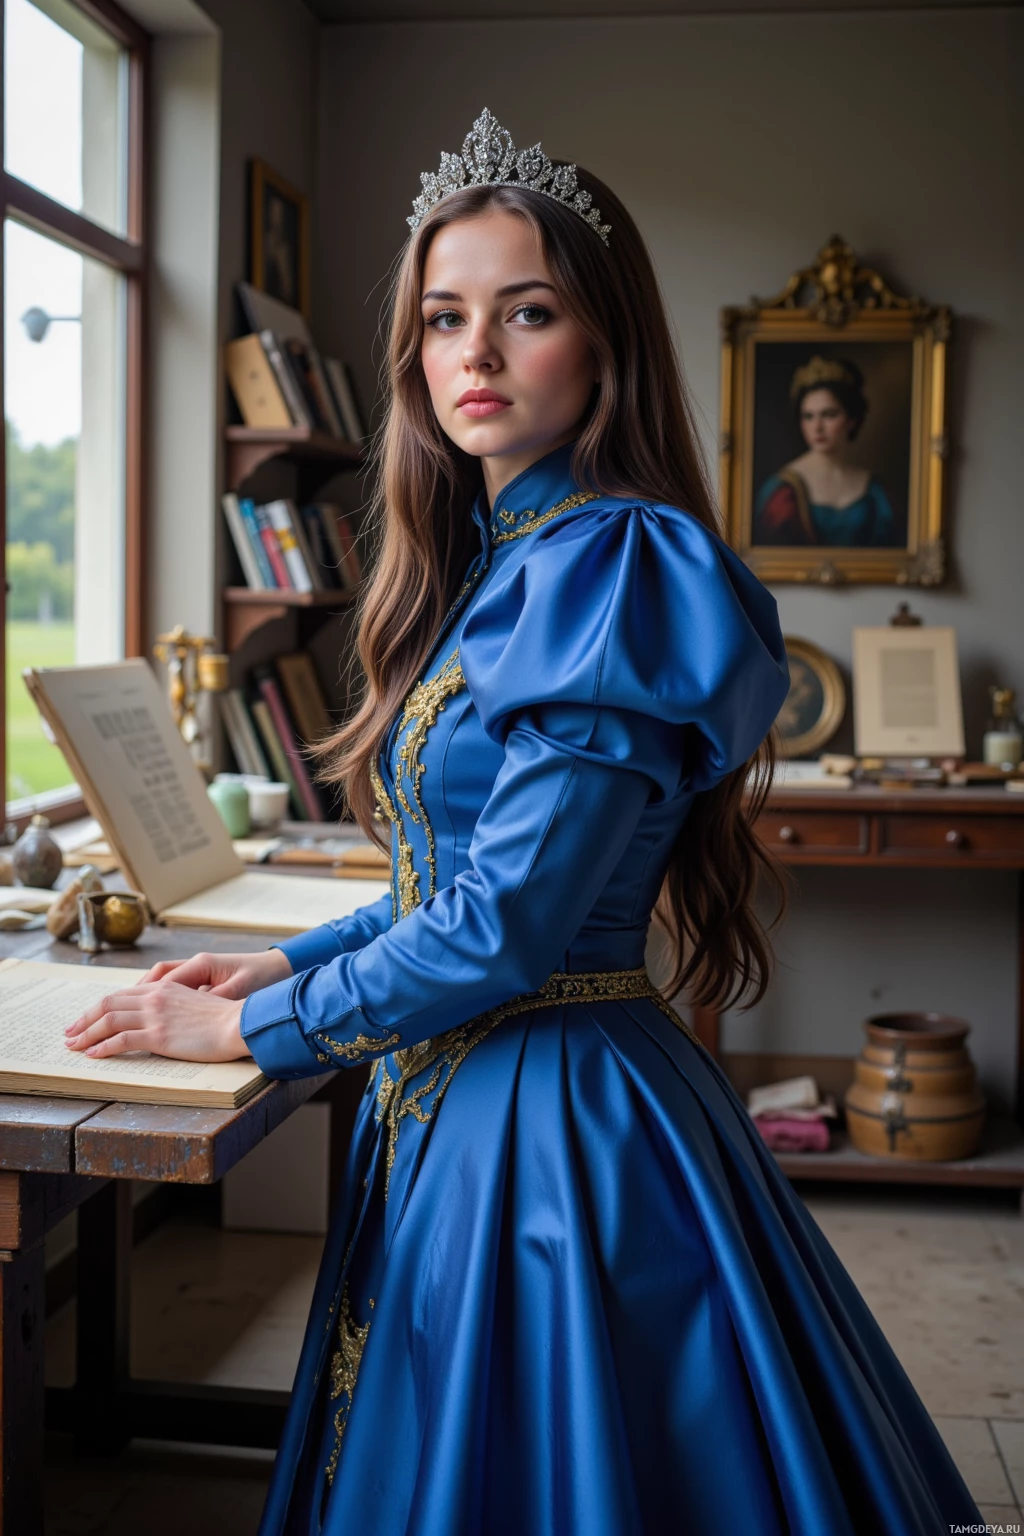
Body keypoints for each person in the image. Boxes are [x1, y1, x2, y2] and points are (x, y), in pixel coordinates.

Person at [67, 110, 980, 1534]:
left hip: (553, 1124)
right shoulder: (507, 564)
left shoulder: (613, 562)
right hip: (467, 1099)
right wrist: (284, 969)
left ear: (605, 344)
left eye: (527, 312)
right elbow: (460, 881)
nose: (474, 354)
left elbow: (509, 928)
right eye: (444, 318)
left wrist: (247, 1034)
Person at [755, 356, 898, 546]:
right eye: (808, 416)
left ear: (851, 420)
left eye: (829, 415)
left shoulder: (875, 493)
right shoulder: (782, 491)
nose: (817, 427)